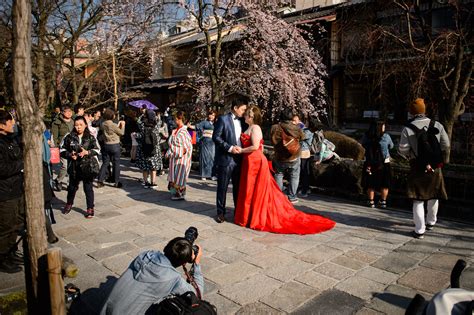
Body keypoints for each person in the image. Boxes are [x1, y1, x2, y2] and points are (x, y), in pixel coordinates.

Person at [234, 105, 336, 234]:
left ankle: (260, 212)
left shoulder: (264, 128)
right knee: (257, 187)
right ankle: (289, 196)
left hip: (261, 160)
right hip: (274, 159)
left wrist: (241, 150)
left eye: (248, 114)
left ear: (253, 116)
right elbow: (303, 137)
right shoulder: (296, 128)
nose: (245, 116)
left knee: (270, 182)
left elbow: (256, 146)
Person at [100, 237, 203, 315]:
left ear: (167, 247)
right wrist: (196, 264)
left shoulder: (145, 255)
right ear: (184, 262)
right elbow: (197, 296)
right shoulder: (174, 279)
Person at [398, 98, 450, 239]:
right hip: (435, 166)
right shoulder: (437, 125)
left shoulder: (407, 128)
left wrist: (411, 155)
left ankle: (419, 230)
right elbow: (446, 145)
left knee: (418, 198)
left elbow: (402, 150)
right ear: (424, 110)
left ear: (411, 112)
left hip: (417, 166)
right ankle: (431, 223)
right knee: (434, 195)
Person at [212, 94, 248, 223]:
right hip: (226, 158)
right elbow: (216, 137)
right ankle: (220, 212)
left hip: (240, 158)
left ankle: (238, 211)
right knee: (222, 187)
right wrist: (229, 148)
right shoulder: (223, 119)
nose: (244, 112)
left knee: (238, 187)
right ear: (235, 107)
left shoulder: (244, 121)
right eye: (243, 109)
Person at [61, 116, 101, 218]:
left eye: (81, 125)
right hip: (74, 167)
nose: (78, 127)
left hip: (87, 167)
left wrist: (87, 152)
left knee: (88, 188)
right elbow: (61, 150)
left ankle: (90, 208)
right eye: (76, 125)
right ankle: (69, 204)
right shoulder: (69, 137)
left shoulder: (91, 137)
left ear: (85, 125)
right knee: (72, 188)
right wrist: (70, 155)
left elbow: (97, 150)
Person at [0, 110, 24, 273]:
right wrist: (22, 164)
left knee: (16, 223)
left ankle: (11, 252)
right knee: (6, 226)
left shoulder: (11, 140)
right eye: (10, 122)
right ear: (2, 125)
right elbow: (2, 168)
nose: (13, 124)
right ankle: (2, 258)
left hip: (16, 188)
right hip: (5, 192)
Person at [270, 109, 304, 203]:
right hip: (294, 156)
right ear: (291, 117)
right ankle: (292, 197)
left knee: (279, 174)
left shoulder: (275, 127)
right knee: (294, 176)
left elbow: (272, 140)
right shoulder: (296, 128)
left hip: (280, 156)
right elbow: (303, 137)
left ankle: (278, 195)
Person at [361, 120, 394, 209]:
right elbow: (391, 146)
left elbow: (363, 145)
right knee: (385, 183)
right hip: (384, 163)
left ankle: (371, 201)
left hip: (370, 163)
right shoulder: (386, 136)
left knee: (370, 183)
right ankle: (383, 201)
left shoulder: (366, 136)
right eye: (383, 126)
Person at [165, 111, 193, 200]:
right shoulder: (176, 130)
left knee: (180, 175)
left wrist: (175, 151)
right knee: (175, 174)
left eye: (175, 119)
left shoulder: (184, 131)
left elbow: (187, 147)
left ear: (179, 119)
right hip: (174, 157)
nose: (174, 120)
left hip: (181, 158)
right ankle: (177, 192)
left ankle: (180, 193)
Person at [97, 108, 125, 188]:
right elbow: (121, 133)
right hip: (115, 145)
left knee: (105, 162)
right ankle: (116, 182)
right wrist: (122, 126)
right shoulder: (113, 125)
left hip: (106, 144)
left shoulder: (103, 124)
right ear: (111, 116)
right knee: (116, 163)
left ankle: (100, 180)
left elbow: (109, 130)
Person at [136, 110, 163, 189]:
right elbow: (160, 121)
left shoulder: (143, 125)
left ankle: (146, 182)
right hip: (154, 149)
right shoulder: (156, 125)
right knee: (153, 166)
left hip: (144, 148)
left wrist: (142, 115)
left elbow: (138, 121)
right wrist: (157, 117)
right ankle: (153, 182)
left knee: (145, 167)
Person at [189, 109, 217, 180]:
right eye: (210, 114)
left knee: (212, 158)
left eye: (213, 115)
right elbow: (197, 127)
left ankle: (211, 174)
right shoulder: (204, 122)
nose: (211, 116)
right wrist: (190, 126)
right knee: (204, 157)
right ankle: (204, 175)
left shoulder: (216, 123)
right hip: (205, 142)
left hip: (213, 142)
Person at [51, 104, 74, 191]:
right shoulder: (57, 122)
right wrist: (56, 147)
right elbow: (54, 137)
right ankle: (58, 180)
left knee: (72, 166)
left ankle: (70, 184)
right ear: (62, 112)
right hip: (62, 147)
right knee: (65, 166)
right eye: (66, 111)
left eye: (70, 111)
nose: (69, 113)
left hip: (72, 147)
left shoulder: (73, 121)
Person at [292, 114, 313, 198]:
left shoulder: (305, 130)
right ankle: (301, 188)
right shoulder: (298, 129)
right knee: (299, 171)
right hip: (299, 152)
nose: (293, 122)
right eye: (292, 120)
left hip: (304, 152)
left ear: (299, 121)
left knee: (304, 171)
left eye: (295, 121)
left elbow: (301, 137)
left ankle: (305, 189)